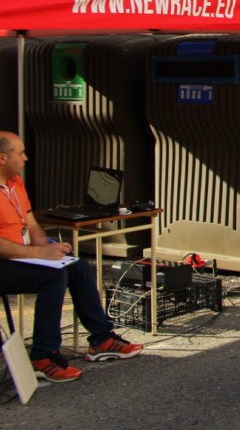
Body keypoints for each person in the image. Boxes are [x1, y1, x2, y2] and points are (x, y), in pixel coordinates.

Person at [0, 131, 142, 382]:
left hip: (23, 253)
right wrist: (40, 253)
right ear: (2, 158)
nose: (26, 158)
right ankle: (44, 355)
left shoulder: (15, 182)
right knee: (53, 276)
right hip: (5, 261)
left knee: (77, 265)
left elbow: (30, 220)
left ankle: (102, 338)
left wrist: (45, 245)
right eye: (20, 153)